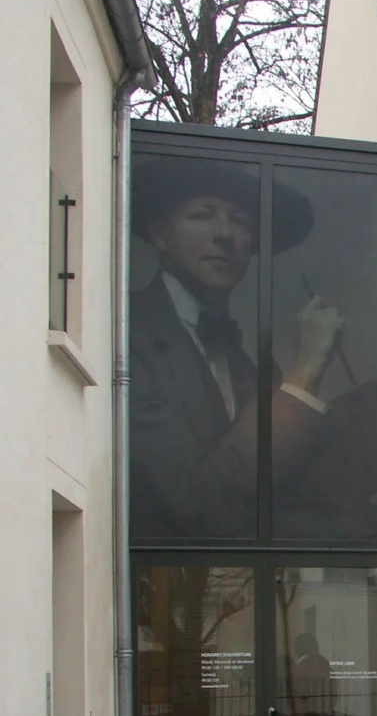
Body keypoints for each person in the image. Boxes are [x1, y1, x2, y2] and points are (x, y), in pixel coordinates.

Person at [129, 159, 349, 539]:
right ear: (161, 234)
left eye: (240, 221)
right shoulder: (125, 335)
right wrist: (305, 372)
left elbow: (279, 499)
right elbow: (195, 501)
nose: (225, 234)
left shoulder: (247, 366)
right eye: (202, 215)